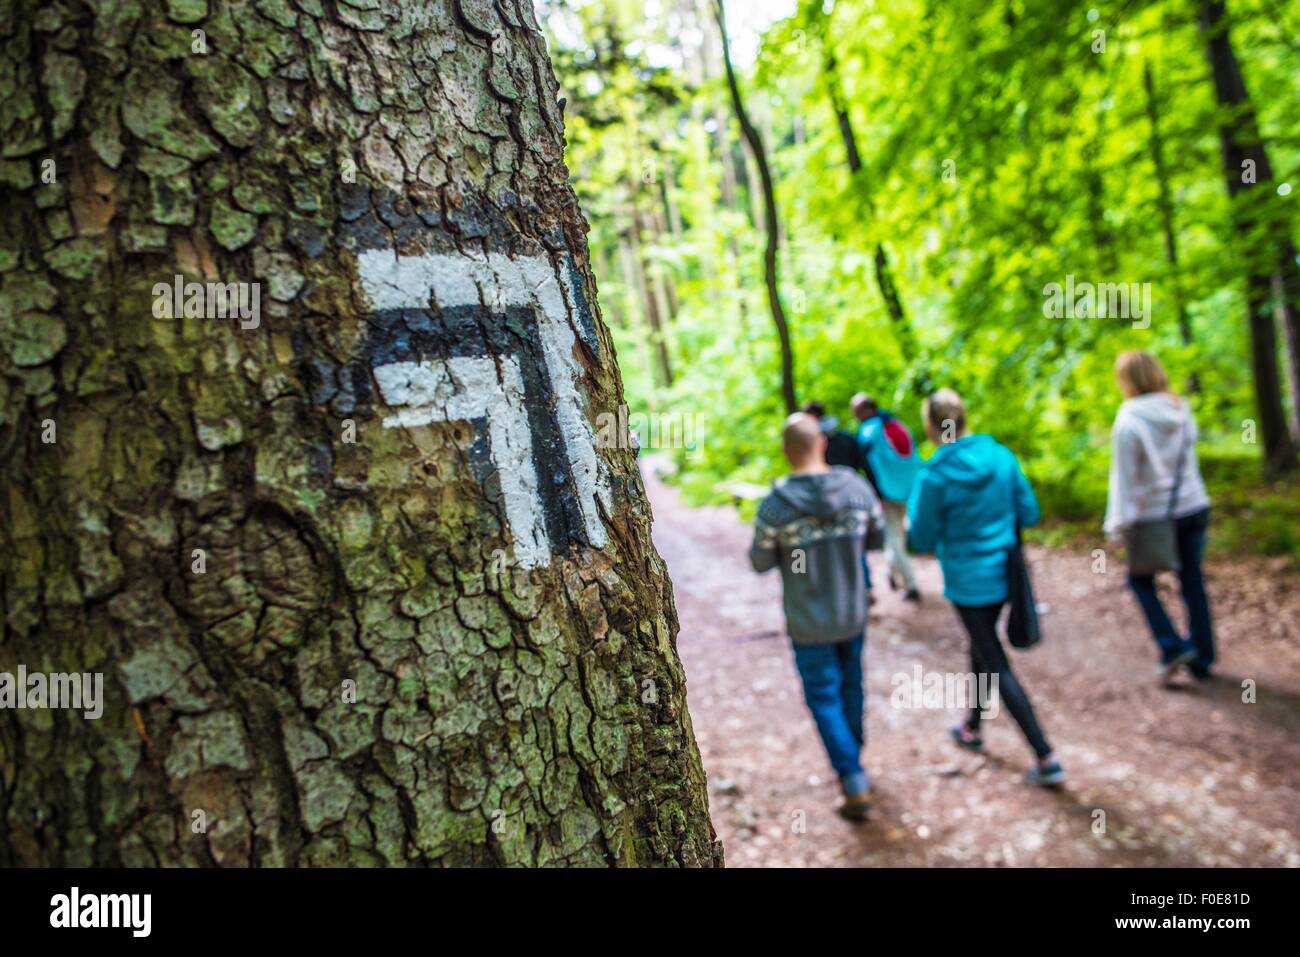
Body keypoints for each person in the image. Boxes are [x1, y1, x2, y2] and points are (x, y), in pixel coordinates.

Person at [907, 389, 1065, 787]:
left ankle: (1045, 756)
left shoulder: (934, 476)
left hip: (967, 583)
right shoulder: (1001, 457)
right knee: (981, 648)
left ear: (931, 426)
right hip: (1005, 576)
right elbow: (1029, 511)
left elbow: (921, 537)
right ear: (964, 417)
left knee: (994, 659)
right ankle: (972, 727)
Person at [750, 413, 884, 820]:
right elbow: (875, 538)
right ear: (821, 443)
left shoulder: (776, 505)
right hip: (852, 612)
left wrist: (794, 552)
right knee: (851, 686)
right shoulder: (857, 490)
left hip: (808, 619)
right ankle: (853, 762)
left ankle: (852, 775)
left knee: (823, 696)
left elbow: (758, 560)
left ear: (786, 451)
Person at [1104, 351, 1214, 683]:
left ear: (1127, 381)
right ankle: (1203, 656)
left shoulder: (1129, 418)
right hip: (1194, 506)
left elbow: (1123, 477)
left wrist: (1116, 524)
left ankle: (1172, 646)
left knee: (1139, 581)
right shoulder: (1181, 409)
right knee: (1192, 580)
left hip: (1154, 516)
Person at [802, 401, 877, 602]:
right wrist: (873, 491)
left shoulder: (813, 442)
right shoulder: (845, 436)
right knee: (855, 543)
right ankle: (864, 587)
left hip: (824, 501)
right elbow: (864, 464)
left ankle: (839, 590)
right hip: (853, 498)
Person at [852, 393, 922, 602]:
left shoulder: (868, 431)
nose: (854, 415)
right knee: (897, 534)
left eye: (856, 410)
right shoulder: (898, 426)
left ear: (867, 409)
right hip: (910, 488)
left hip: (887, 492)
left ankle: (910, 584)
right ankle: (891, 572)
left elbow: (864, 464)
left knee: (893, 537)